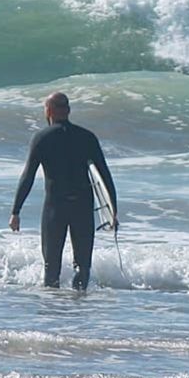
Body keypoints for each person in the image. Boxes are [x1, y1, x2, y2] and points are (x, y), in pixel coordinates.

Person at [9, 91, 118, 291]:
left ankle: (53, 312)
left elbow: (28, 176)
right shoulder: (87, 137)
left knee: (51, 267)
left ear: (48, 110)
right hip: (82, 206)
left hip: (55, 208)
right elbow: (104, 176)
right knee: (83, 266)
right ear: (67, 111)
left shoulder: (42, 138)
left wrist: (16, 211)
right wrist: (113, 211)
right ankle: (78, 306)